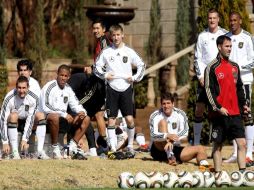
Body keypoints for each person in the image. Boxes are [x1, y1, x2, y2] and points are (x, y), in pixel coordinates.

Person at [94, 24, 145, 159]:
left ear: (122, 35)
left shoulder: (129, 51)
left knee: (129, 119)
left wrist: (134, 78)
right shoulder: (106, 52)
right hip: (111, 89)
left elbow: (141, 65)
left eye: (118, 35)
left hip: (126, 89)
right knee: (111, 120)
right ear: (110, 37)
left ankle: (130, 146)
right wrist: (105, 75)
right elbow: (96, 67)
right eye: (114, 35)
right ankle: (112, 148)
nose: (116, 38)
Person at [205, 35, 249, 173]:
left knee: (242, 144)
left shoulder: (235, 66)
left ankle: (242, 174)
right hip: (219, 114)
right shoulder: (211, 67)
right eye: (227, 46)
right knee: (217, 146)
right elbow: (208, 89)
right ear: (219, 47)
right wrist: (218, 107)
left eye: (230, 46)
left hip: (235, 113)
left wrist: (244, 105)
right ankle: (218, 175)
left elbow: (240, 88)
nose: (229, 49)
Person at [39, 64, 90, 159]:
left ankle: (72, 146)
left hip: (63, 120)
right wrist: (64, 114)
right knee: (54, 116)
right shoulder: (49, 87)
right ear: (57, 74)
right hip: (46, 120)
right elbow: (46, 107)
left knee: (86, 119)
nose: (63, 78)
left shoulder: (68, 89)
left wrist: (82, 112)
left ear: (69, 77)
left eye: (66, 76)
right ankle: (55, 148)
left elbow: (76, 104)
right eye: (61, 75)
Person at [149, 93, 210, 170]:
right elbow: (153, 135)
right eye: (164, 104)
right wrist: (167, 136)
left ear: (173, 104)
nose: (166, 106)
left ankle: (204, 167)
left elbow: (185, 132)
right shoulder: (155, 115)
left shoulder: (180, 114)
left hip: (175, 148)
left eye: (168, 103)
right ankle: (169, 155)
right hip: (158, 149)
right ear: (161, 105)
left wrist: (171, 140)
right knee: (163, 122)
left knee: (200, 149)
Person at [224, 12, 254, 166]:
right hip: (229, 84)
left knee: (246, 113)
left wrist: (237, 68)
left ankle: (249, 153)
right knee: (233, 116)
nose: (233, 22)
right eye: (230, 20)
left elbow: (253, 60)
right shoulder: (226, 37)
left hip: (245, 81)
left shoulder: (247, 37)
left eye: (235, 20)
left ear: (240, 21)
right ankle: (236, 152)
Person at [193, 9, 227, 145]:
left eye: (214, 18)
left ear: (218, 19)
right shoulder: (202, 36)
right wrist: (201, 76)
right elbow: (198, 58)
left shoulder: (225, 34)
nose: (212, 20)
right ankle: (196, 143)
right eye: (209, 18)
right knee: (199, 109)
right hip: (205, 79)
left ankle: (218, 141)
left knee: (220, 111)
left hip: (221, 79)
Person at [16, 59, 49, 159]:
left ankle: (39, 151)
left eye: (25, 70)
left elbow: (38, 106)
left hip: (31, 116)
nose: (22, 72)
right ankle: (13, 151)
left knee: (40, 115)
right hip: (19, 116)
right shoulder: (17, 84)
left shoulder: (34, 85)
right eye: (20, 70)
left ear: (30, 72)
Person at [0, 76, 38, 159]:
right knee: (14, 115)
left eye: (24, 88)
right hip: (13, 121)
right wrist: (5, 142)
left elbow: (30, 120)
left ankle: (37, 151)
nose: (21, 91)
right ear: (16, 87)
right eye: (19, 88)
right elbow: (3, 119)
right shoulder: (9, 97)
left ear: (28, 87)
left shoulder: (34, 98)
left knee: (40, 116)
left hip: (25, 122)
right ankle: (15, 152)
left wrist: (25, 139)